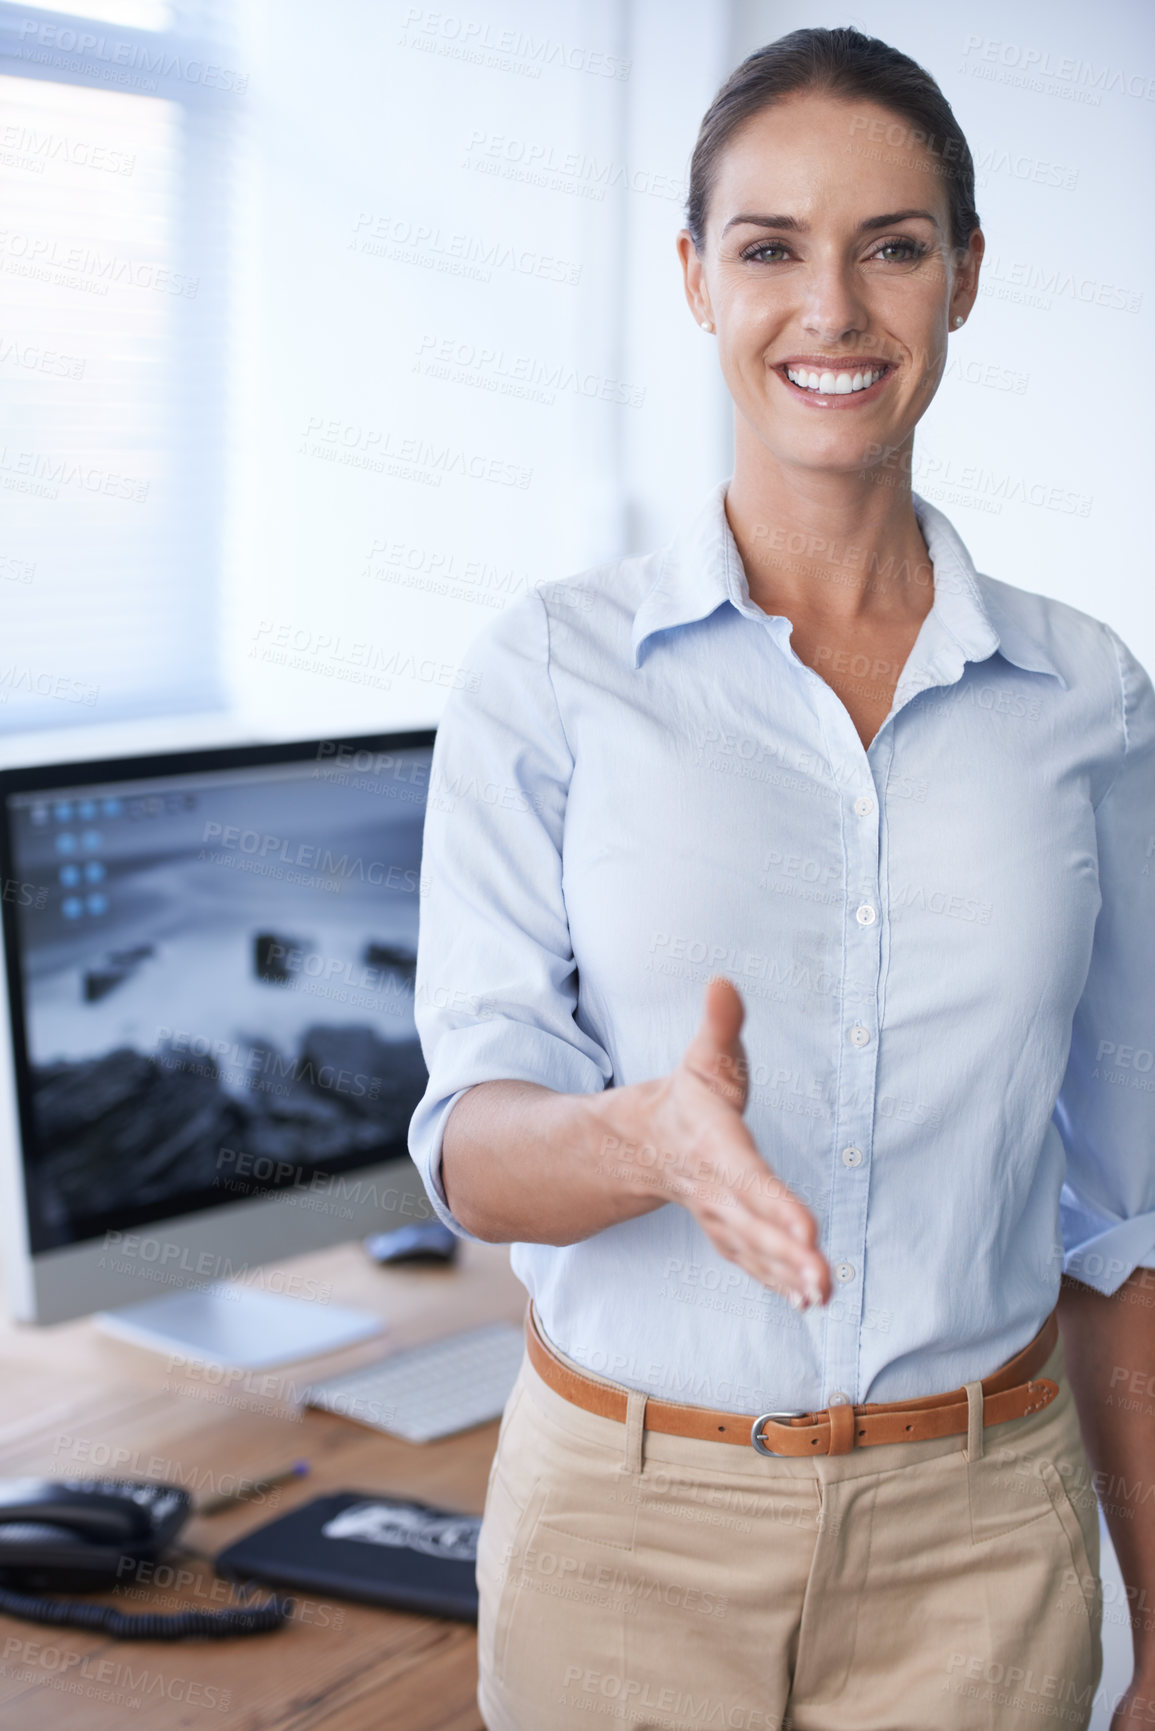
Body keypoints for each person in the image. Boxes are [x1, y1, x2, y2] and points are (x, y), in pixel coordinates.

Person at [408, 26, 1155, 1731]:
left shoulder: (1093, 701)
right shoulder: (550, 675)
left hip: (983, 1543)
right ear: (693, 278)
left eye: (892, 247)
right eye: (770, 249)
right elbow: (465, 1147)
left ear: (964, 279)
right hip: (623, 1533)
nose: (833, 310)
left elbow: (1127, 1219)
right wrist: (642, 1139)